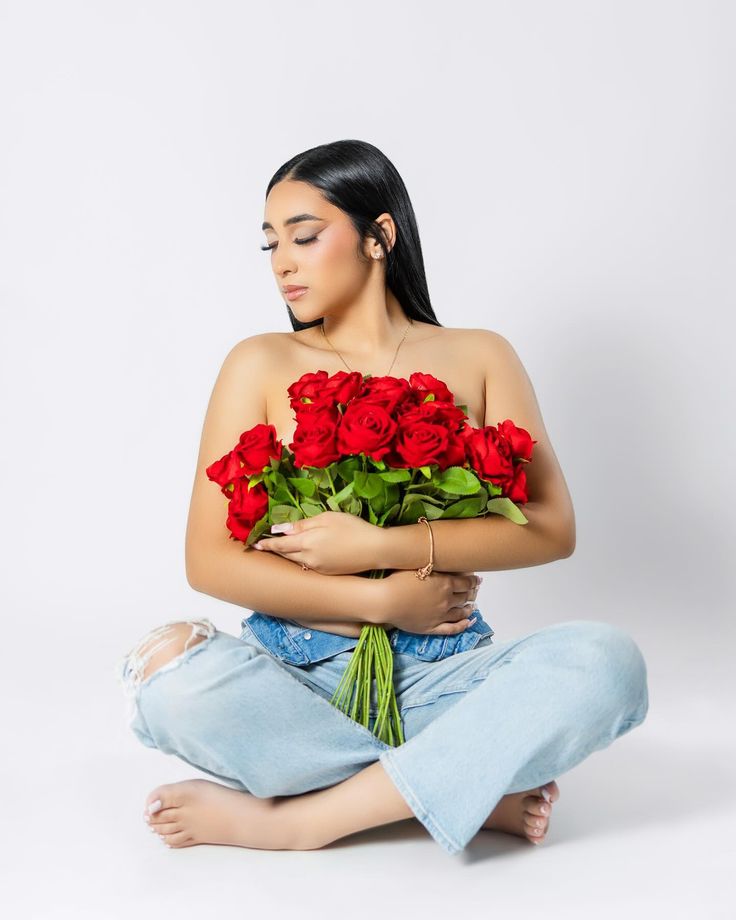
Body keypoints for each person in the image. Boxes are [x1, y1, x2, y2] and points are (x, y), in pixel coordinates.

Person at [117, 139, 649, 856]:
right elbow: (209, 561)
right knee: (172, 680)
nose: (283, 261)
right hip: (295, 672)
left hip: (443, 670)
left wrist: (383, 548)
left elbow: (552, 529)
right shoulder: (261, 362)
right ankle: (461, 781)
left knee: (607, 662)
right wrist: (377, 600)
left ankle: (303, 820)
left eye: (305, 236)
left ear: (379, 236)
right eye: (271, 243)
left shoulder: (480, 354)